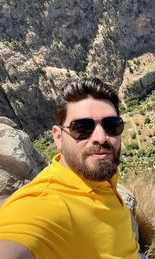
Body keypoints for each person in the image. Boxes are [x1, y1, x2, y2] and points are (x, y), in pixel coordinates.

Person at [0, 78, 143, 259]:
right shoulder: (49, 203)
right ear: (58, 137)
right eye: (82, 128)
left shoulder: (99, 173)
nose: (101, 137)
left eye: (112, 126)